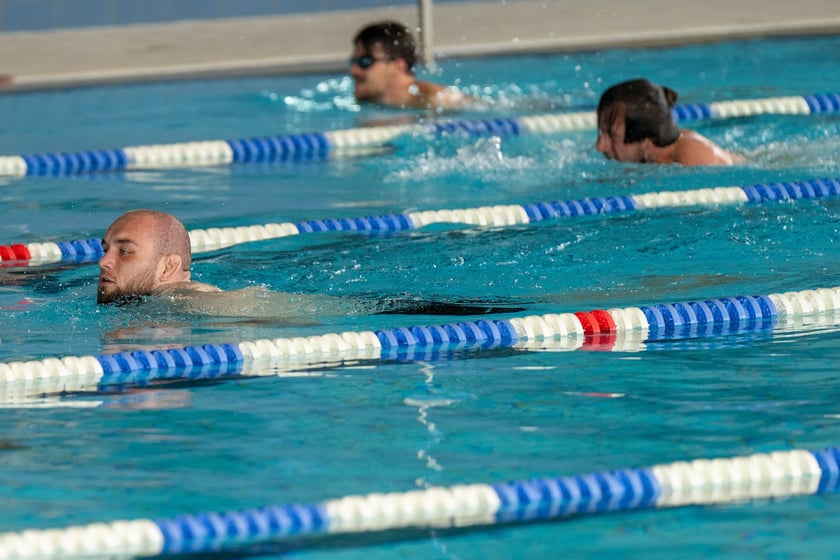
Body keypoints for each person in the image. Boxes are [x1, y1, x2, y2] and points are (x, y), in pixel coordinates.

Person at [595, 78, 743, 166]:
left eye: (613, 137)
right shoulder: (649, 157)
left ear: (648, 141)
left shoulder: (695, 157)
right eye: (601, 132)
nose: (599, 146)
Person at [97, 209, 219, 305]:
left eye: (125, 251)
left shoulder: (186, 299)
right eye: (105, 250)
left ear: (168, 267)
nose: (103, 261)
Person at [349, 20, 465, 110]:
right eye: (353, 62)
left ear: (398, 66)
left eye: (364, 62)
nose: (354, 70)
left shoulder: (438, 101)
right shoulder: (369, 101)